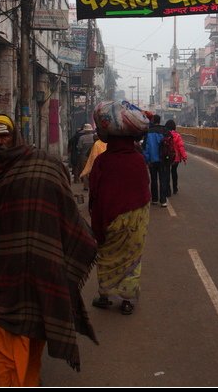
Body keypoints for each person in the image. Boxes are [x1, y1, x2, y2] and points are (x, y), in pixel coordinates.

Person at [0, 114, 98, 385]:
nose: (0, 142)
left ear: (15, 137)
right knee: (6, 342)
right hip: (2, 276)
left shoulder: (42, 165)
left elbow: (65, 210)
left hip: (40, 269)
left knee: (33, 337)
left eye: (5, 136)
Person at [89, 101, 152, 316]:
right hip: (136, 218)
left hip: (108, 218)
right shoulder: (138, 161)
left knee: (106, 255)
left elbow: (94, 195)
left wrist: (96, 222)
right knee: (132, 257)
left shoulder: (102, 161)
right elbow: (145, 189)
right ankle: (127, 300)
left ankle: (105, 295)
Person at [143, 114, 171, 207]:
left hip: (152, 160)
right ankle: (163, 201)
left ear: (153, 120)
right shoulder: (165, 131)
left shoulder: (148, 132)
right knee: (163, 179)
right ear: (159, 120)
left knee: (154, 180)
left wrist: (147, 160)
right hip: (163, 160)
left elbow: (146, 148)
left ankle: (154, 199)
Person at [164, 119, 188, 195]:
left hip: (167, 157)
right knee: (174, 172)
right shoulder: (177, 135)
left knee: (167, 173)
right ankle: (175, 188)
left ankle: (168, 190)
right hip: (176, 158)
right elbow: (181, 147)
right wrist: (184, 157)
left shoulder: (164, 134)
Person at [76, 123, 96, 189]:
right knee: (92, 170)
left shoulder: (82, 138)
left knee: (85, 170)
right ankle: (93, 184)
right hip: (92, 155)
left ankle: (86, 186)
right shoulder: (94, 136)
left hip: (83, 156)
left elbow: (79, 147)